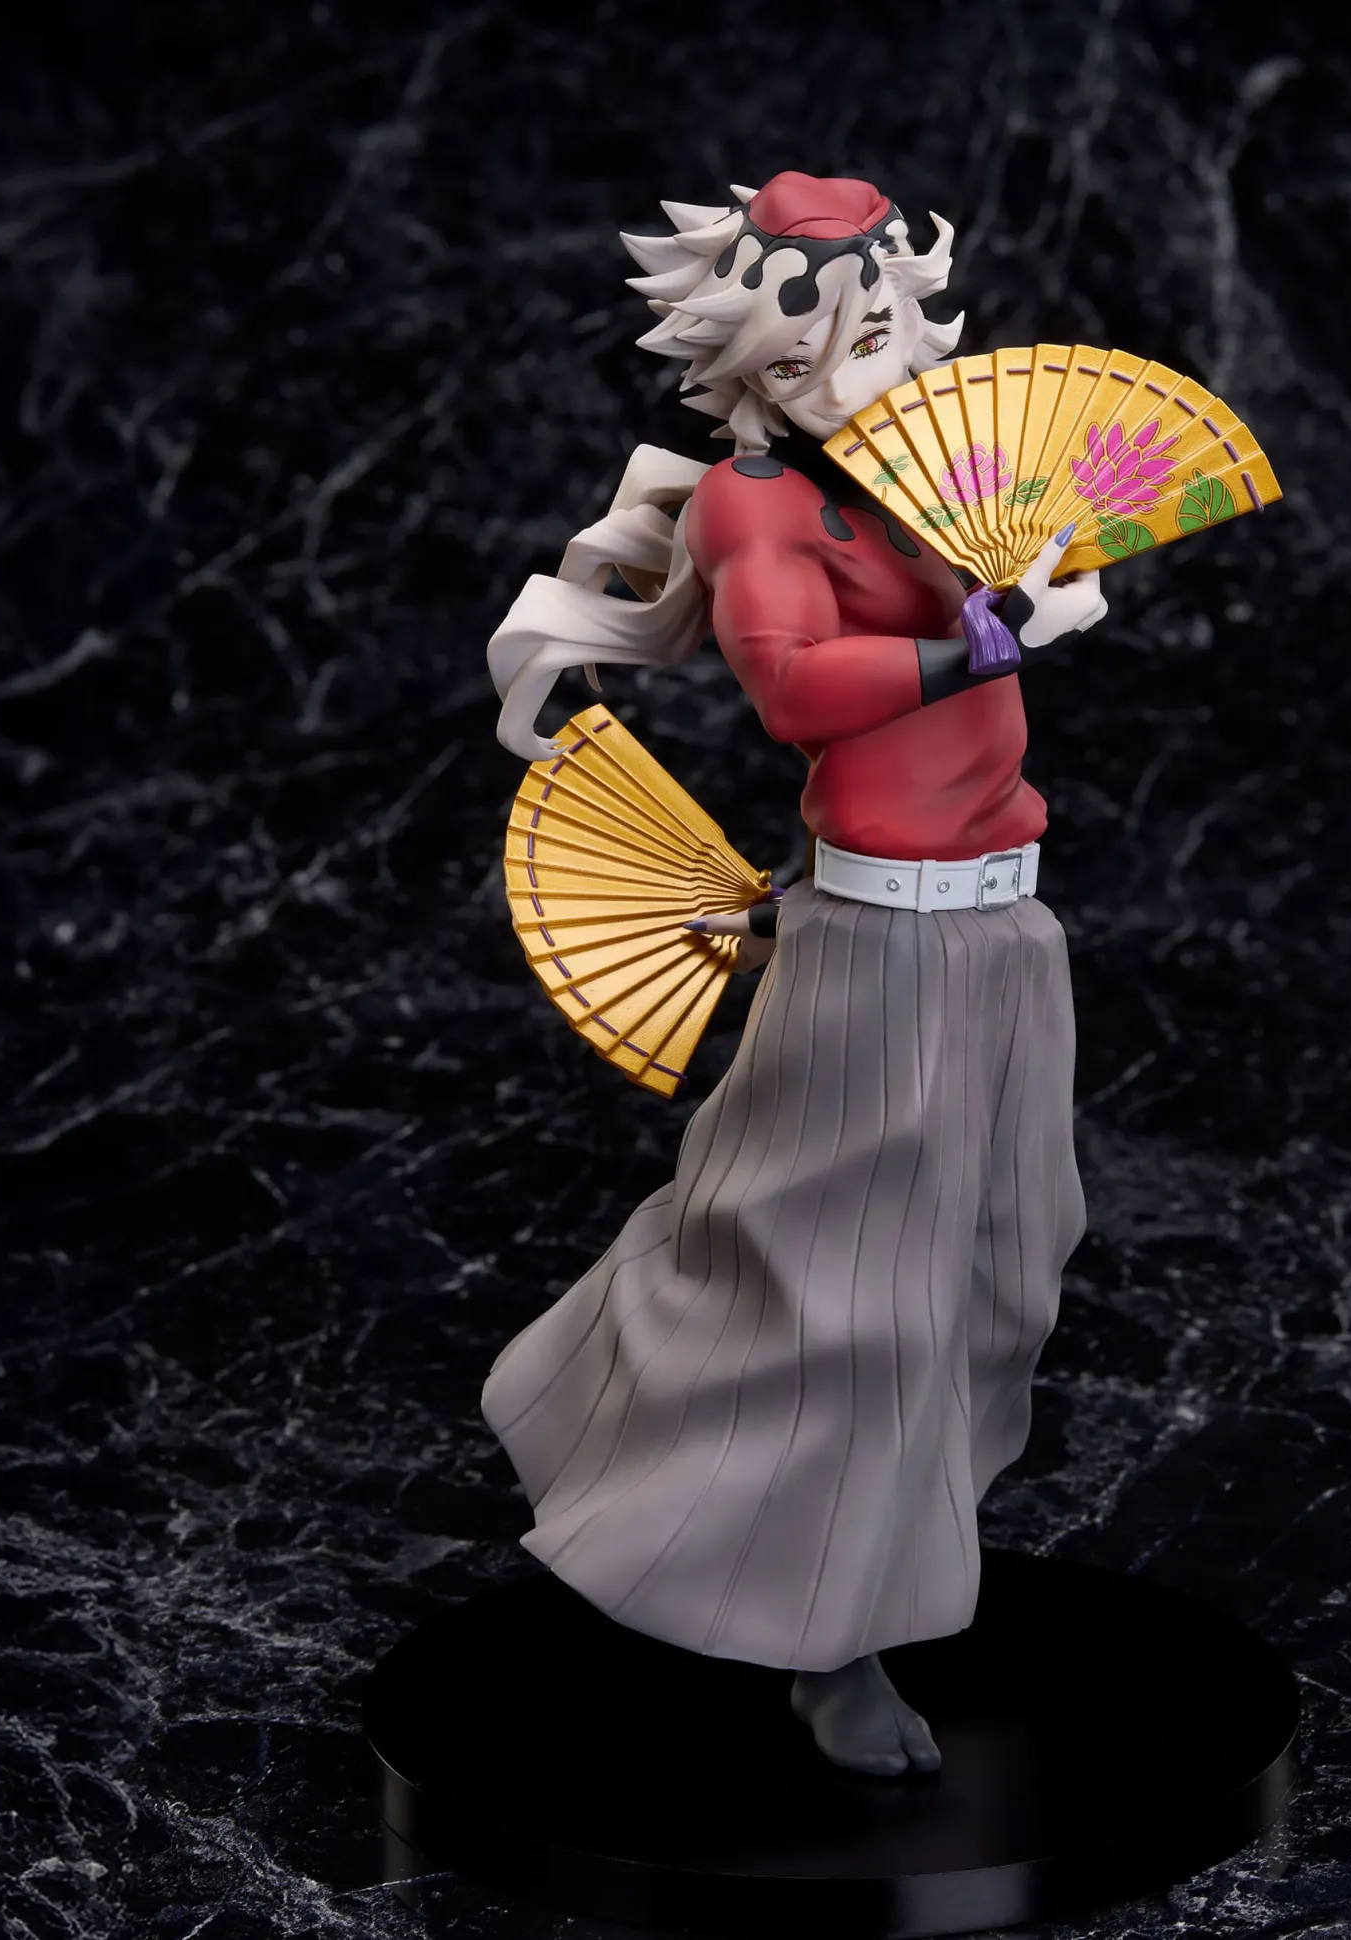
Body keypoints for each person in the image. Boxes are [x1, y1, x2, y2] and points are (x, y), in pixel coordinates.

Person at [481, 172, 1101, 1777]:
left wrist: (1051, 581)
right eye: (841, 342)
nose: (886, 361)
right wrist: (992, 639)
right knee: (858, 1300)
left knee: (1011, 1268)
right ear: (765, 366)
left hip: (1008, 930)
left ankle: (603, 1403)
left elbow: (1034, 576)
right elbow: (798, 692)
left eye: (896, 325)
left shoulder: (951, 473)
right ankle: (831, 1640)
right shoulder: (760, 508)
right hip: (883, 943)